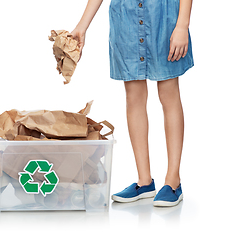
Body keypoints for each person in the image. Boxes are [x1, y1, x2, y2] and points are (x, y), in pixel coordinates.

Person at [71, 0, 194, 207]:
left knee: (168, 94)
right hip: (125, 18)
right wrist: (82, 26)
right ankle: (144, 181)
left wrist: (182, 24)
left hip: (163, 17)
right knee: (134, 97)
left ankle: (173, 181)